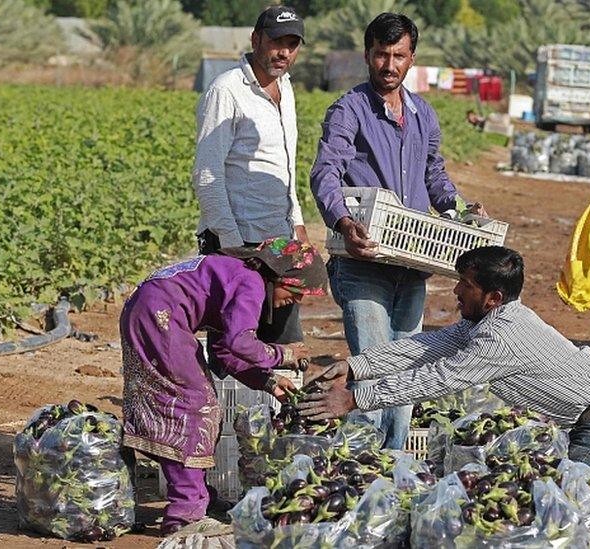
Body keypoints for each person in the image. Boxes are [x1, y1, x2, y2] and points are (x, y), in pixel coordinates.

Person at [296, 246, 590, 480]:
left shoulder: (501, 338)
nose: (456, 292)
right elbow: (427, 347)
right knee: (556, 495)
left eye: (465, 285)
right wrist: (358, 367)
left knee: (575, 503)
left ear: (493, 298)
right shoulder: (485, 321)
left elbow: (439, 378)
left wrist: (358, 398)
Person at [309, 12, 485, 450]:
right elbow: (325, 173)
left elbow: (434, 176)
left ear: (412, 59)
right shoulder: (348, 110)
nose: (390, 65)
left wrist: (460, 208)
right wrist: (343, 220)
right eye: (382, 55)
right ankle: (365, 467)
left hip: (412, 262)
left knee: (407, 374)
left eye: (399, 56)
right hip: (363, 259)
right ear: (368, 55)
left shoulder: (423, 114)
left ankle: (393, 463)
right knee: (371, 365)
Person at [119, 238, 327, 533]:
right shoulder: (251, 283)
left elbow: (225, 352)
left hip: (148, 308)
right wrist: (284, 355)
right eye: (295, 292)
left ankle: (196, 495)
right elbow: (240, 342)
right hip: (159, 315)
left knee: (190, 406)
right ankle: (185, 513)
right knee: (192, 406)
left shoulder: (238, 276)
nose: (295, 301)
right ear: (279, 276)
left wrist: (268, 381)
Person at [191, 5, 309, 348]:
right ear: (255, 39)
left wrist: (297, 221)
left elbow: (283, 166)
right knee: (234, 346)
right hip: (239, 241)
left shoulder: (285, 89)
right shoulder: (227, 91)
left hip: (278, 241)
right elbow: (207, 173)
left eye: (292, 44)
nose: (283, 52)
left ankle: (273, 405)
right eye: (275, 42)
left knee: (281, 345)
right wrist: (231, 244)